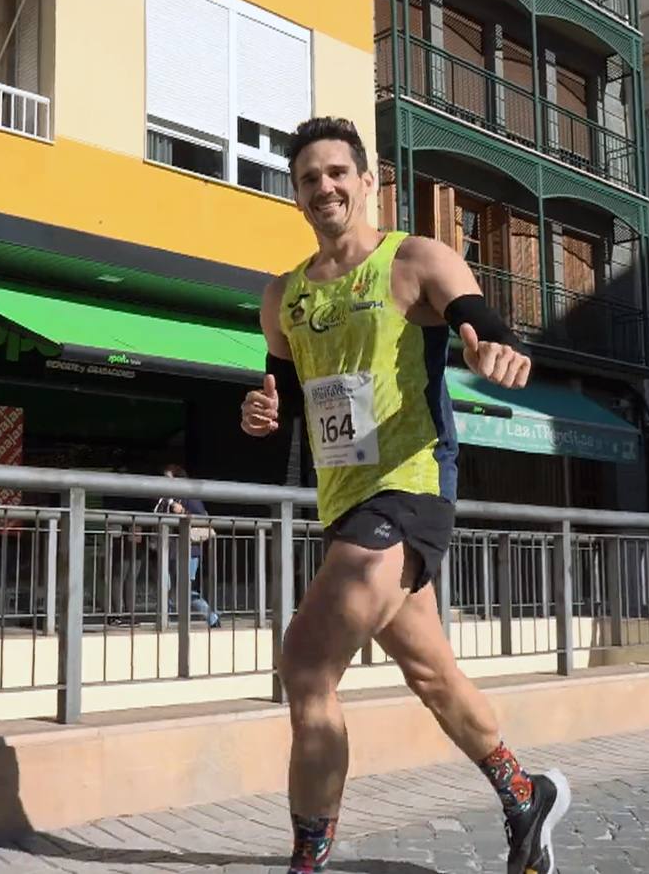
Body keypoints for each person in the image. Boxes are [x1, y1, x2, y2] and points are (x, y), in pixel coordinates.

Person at [239, 117, 566, 874]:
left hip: (410, 487)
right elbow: (284, 393)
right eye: (308, 178)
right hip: (345, 503)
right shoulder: (282, 296)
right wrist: (260, 411)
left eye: (336, 173)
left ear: (368, 179)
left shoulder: (412, 258)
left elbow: (475, 316)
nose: (323, 187)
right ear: (296, 194)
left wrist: (490, 345)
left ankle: (307, 860)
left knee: (307, 665)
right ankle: (526, 798)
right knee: (431, 673)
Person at [154, 464, 221, 628]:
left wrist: (182, 511)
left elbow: (203, 518)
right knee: (166, 586)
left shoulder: (190, 497)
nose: (165, 483)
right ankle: (164, 621)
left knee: (185, 589)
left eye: (168, 479)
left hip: (189, 550)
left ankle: (211, 617)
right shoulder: (164, 500)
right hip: (168, 549)